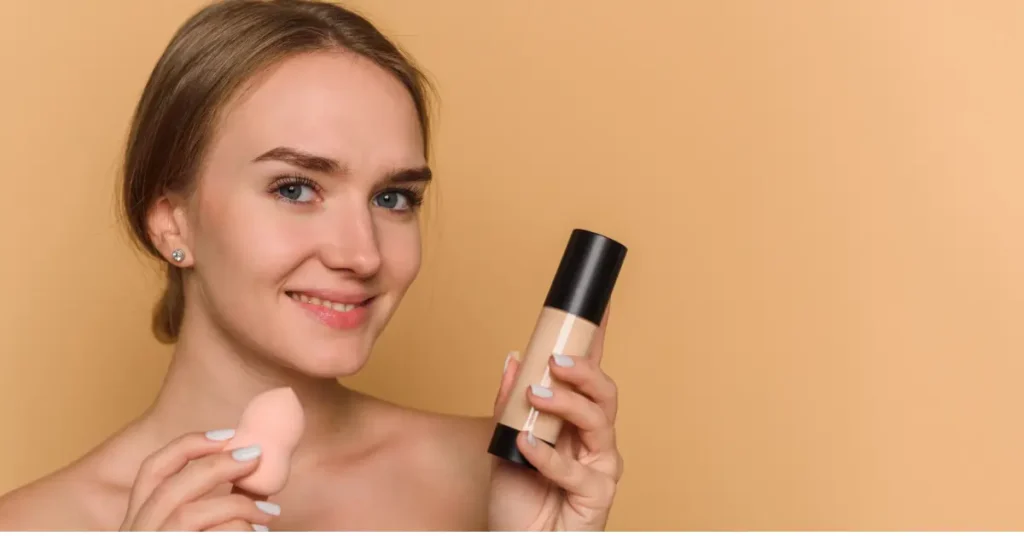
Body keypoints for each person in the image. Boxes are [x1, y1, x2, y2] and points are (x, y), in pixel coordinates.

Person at [0, 0, 624, 530]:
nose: (362, 254)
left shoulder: (493, 480)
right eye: (295, 188)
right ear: (171, 221)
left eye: (393, 198)